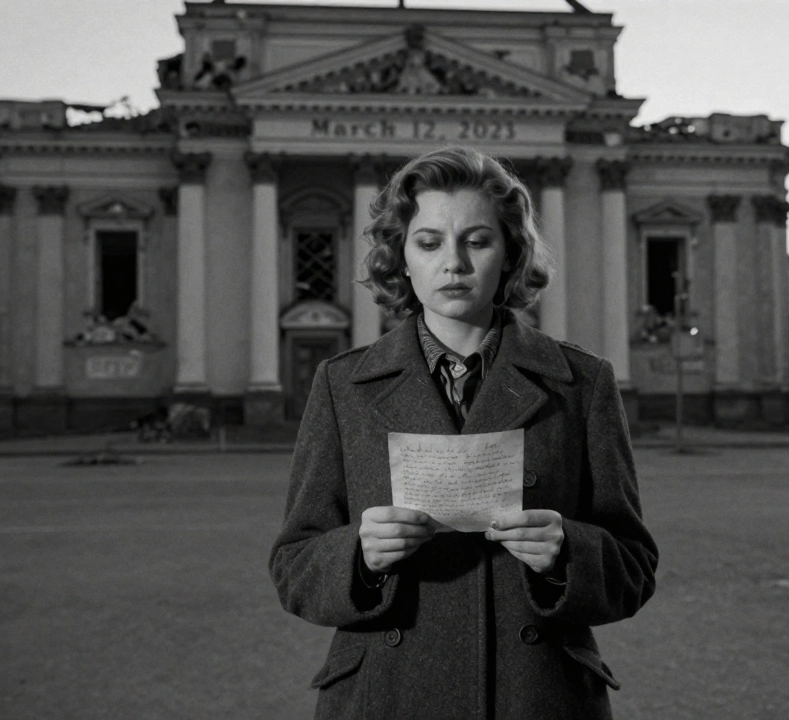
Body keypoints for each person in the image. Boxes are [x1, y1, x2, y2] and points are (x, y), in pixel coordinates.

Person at [269, 146, 657, 719]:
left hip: (536, 696)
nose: (453, 263)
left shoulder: (583, 383)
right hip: (386, 695)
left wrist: (567, 553)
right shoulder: (342, 385)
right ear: (401, 257)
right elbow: (294, 565)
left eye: (477, 241)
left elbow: (634, 568)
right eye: (429, 242)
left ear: (510, 253)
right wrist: (357, 555)